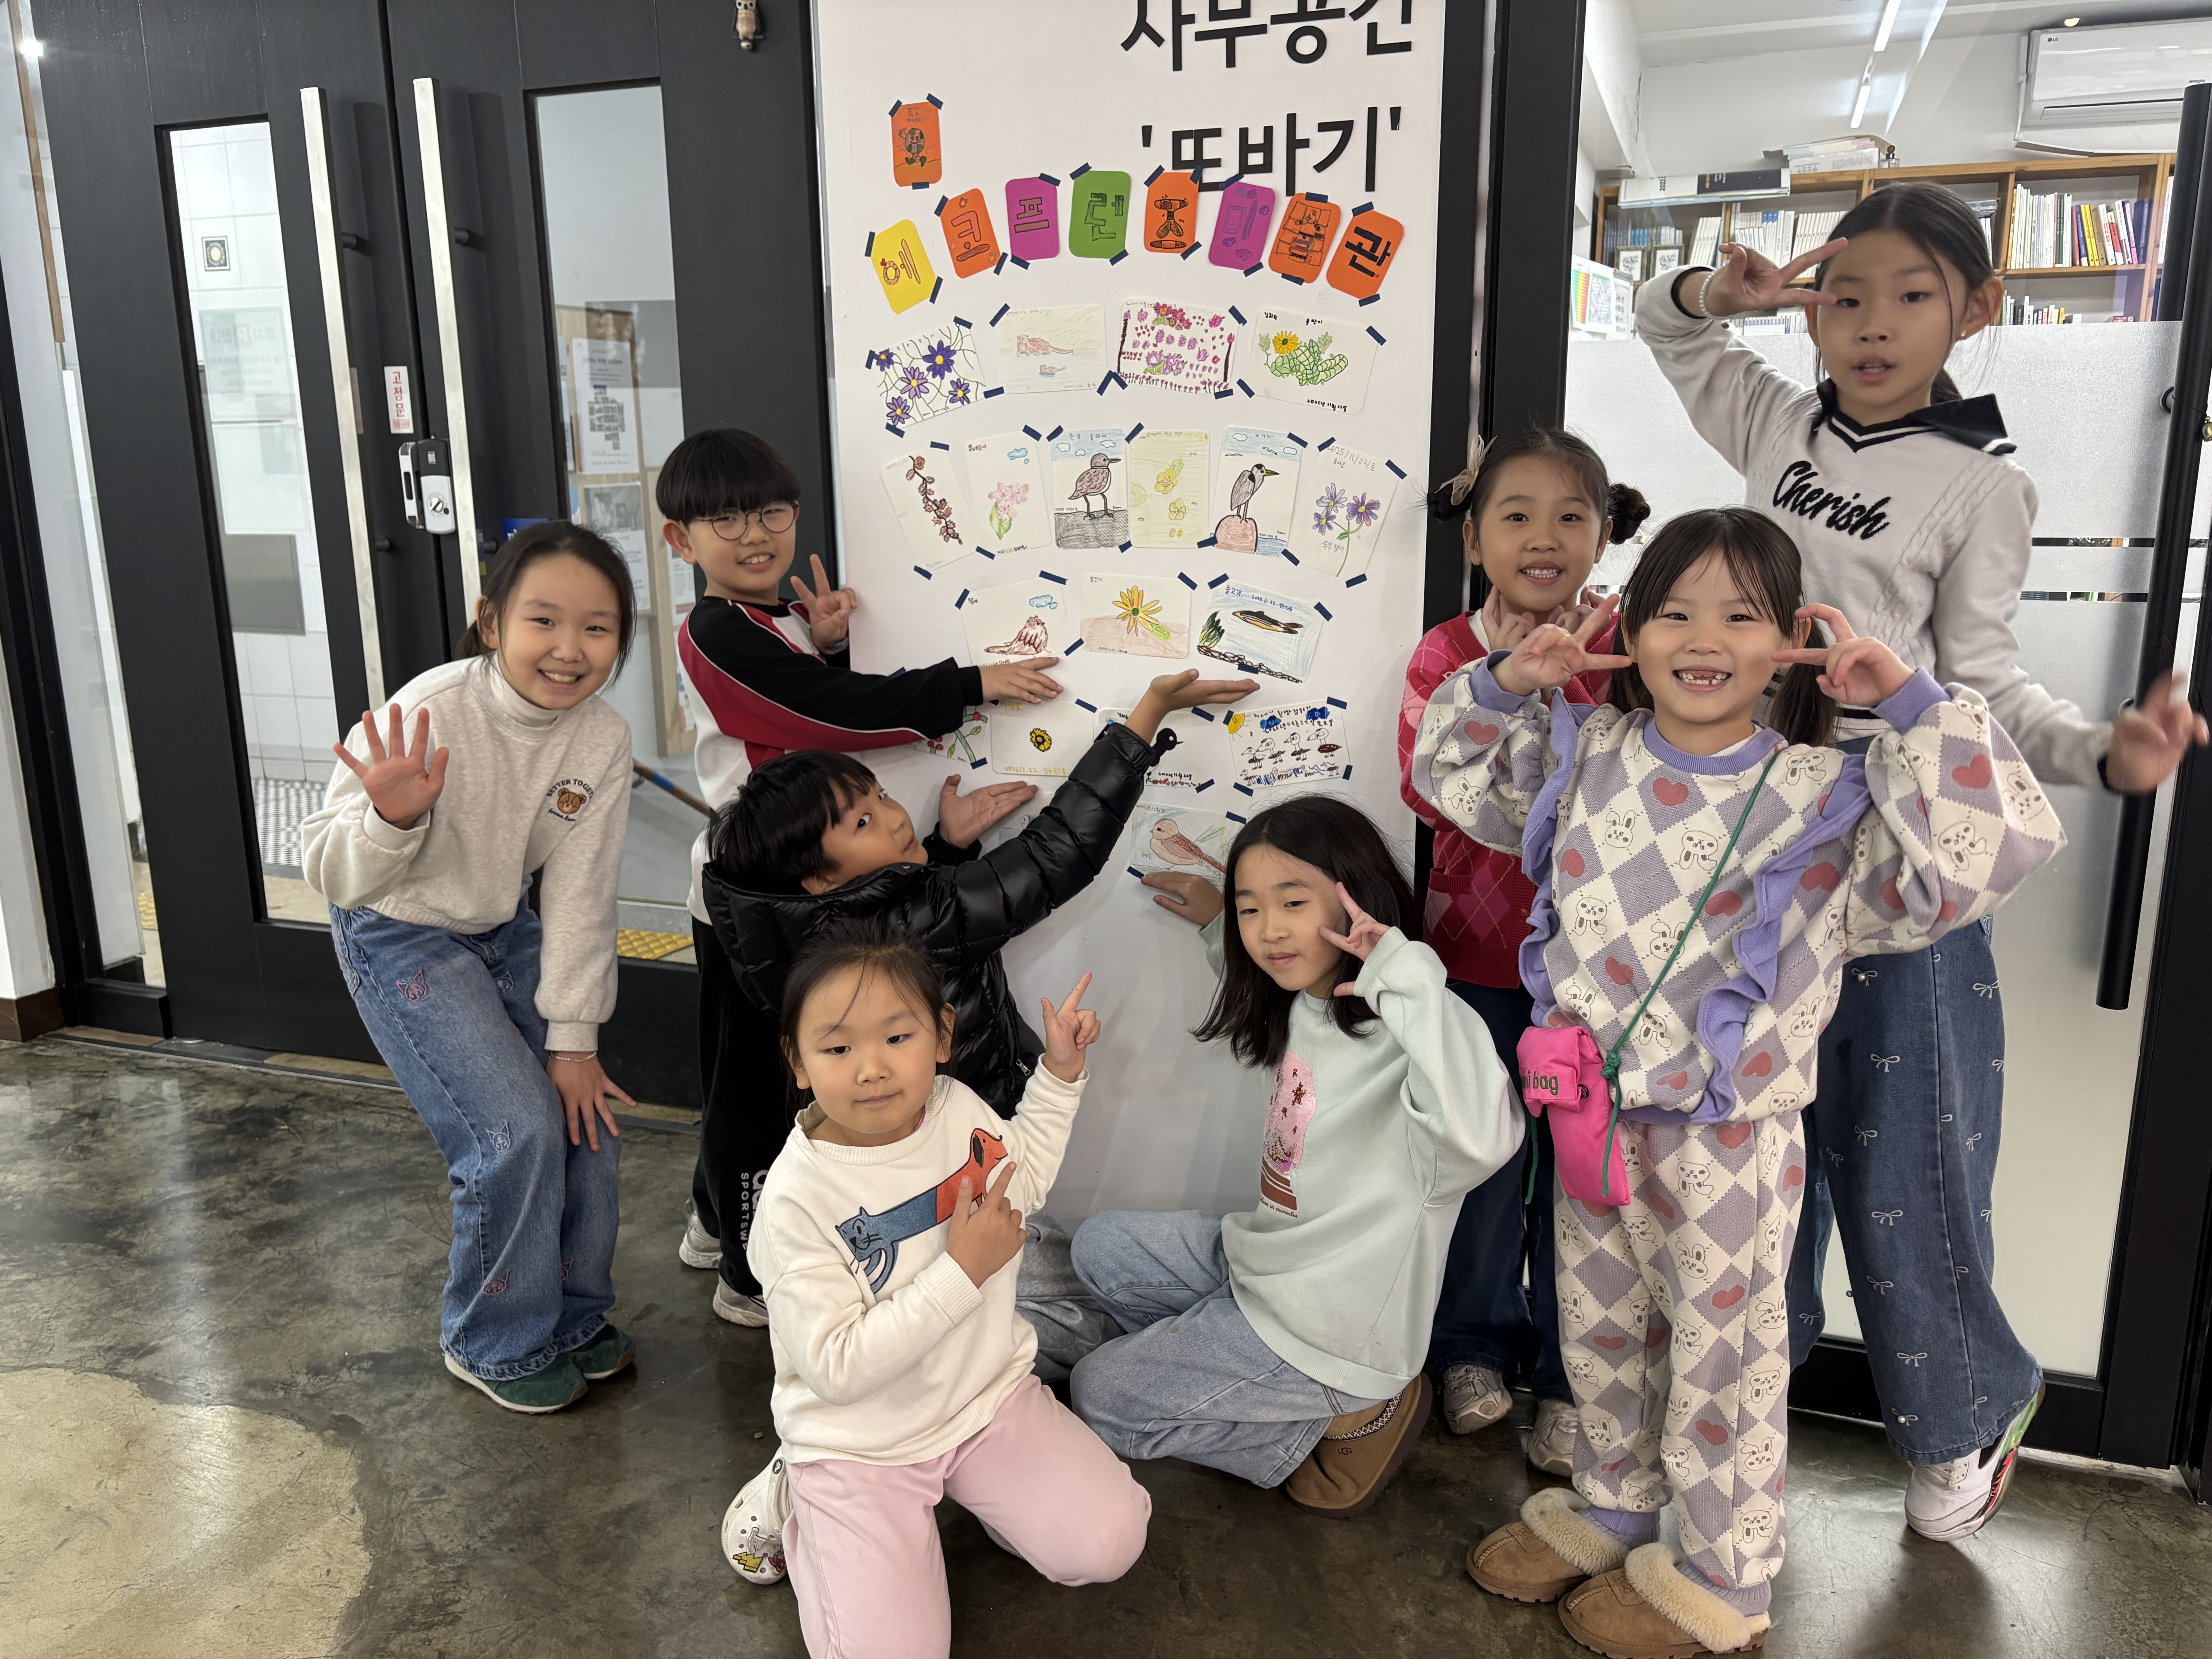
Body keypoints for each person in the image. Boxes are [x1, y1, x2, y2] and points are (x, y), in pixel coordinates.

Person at [1637, 183, 2205, 1542]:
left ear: (1976, 310)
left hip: (1903, 839)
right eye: (1846, 296)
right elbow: (1668, 329)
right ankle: (1739, 1409)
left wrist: (2102, 753)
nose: (1873, 325)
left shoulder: (1984, 483)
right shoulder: (1777, 420)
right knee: (1745, 1140)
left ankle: (1964, 1417)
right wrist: (1726, 293)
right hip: (1756, 824)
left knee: (1906, 1144)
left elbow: (1988, 684)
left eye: (1911, 296)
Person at [1417, 508, 2064, 1657]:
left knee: (1727, 1358)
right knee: (1601, 1325)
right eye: (1673, 611)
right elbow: (1451, 774)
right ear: (1629, 630)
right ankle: (1614, 1502)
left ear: (1790, 644)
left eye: (1741, 615)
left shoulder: (1827, 794)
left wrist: (1909, 700)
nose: (1704, 639)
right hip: (1590, 1119)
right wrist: (1511, 678)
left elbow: (1996, 849)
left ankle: (1726, 1574)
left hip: (1731, 1140)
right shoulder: (1587, 754)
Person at [702, 668, 1255, 1367]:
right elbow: (1056, 856)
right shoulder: (909, 926)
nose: (894, 816)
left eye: (880, 796)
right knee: (1044, 1303)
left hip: (920, 1171)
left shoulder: (796, 935)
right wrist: (1146, 716)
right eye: (864, 822)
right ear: (817, 877)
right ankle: (1185, 1359)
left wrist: (944, 851)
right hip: (961, 1156)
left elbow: (891, 909)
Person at [657, 428, 1067, 1326]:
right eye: (726, 520)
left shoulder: (769, 621)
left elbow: (800, 709)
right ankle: (745, 1272)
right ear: (680, 540)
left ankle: (711, 1222)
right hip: (756, 904)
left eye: (772, 512)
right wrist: (969, 682)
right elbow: (825, 718)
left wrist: (829, 642)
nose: (755, 534)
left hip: (786, 895)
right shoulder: (715, 631)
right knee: (756, 1088)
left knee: (756, 1078)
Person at [1071, 797, 1522, 1521]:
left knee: (1101, 1398)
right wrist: (1218, 920)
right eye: (1251, 909)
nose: (1270, 930)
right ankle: (1244, 1373)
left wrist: (1405, 975)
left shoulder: (1417, 1032)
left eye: (1292, 903)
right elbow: (1256, 955)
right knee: (1100, 1248)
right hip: (1269, 1270)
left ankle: (1343, 1422)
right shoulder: (1306, 998)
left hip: (1334, 1336)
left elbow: (1483, 1136)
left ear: (1357, 898)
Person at [718, 924, 1150, 1659]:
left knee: (1110, 1541)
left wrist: (1060, 1074)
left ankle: (986, 1495)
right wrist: (962, 1273)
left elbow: (1023, 1181)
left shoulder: (955, 1108)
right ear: (797, 1061)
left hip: (983, 1400)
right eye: (838, 1049)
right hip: (861, 1447)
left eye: (898, 1037)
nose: (872, 1069)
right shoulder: (795, 1203)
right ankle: (801, 1492)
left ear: (943, 1035)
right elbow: (837, 1368)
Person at [302, 523, 639, 1413]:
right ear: (492, 623)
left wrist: (575, 1043)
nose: (569, 649)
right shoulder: (431, 709)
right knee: (514, 1129)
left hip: (499, 922)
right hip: (397, 928)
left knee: (587, 1117)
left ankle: (572, 1315)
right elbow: (329, 870)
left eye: (598, 627)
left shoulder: (602, 738)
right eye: (543, 621)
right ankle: (492, 1340)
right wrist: (389, 820)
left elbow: (581, 896)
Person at [1398, 426, 1647, 1470]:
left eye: (1569, 516)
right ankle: (1471, 1346)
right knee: (1488, 1158)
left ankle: (1573, 1376)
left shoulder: (1635, 643)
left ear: (1603, 533)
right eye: (1516, 515)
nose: (1543, 538)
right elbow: (1426, 787)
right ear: (1475, 539)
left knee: (1588, 1173)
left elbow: (1649, 771)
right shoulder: (1445, 654)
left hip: (1604, 966)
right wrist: (1508, 680)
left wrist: (1580, 677)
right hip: (1477, 955)